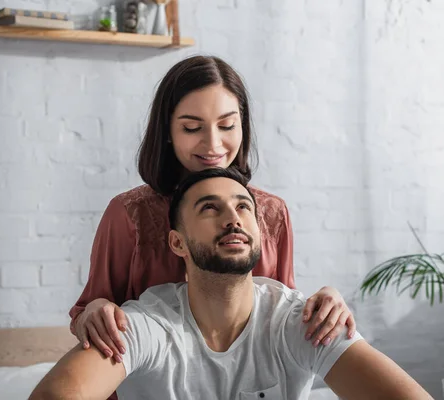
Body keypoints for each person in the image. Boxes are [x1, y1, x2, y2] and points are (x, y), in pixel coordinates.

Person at [30, 167, 432, 400]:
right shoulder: (147, 327)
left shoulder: (299, 322)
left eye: (243, 207)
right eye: (210, 208)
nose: (233, 217)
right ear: (177, 242)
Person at [70, 55, 356, 365]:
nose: (213, 144)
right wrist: (96, 312)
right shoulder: (129, 215)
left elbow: (282, 310)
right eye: (192, 128)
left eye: (227, 125)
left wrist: (327, 301)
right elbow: (89, 310)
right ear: (167, 131)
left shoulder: (271, 213)